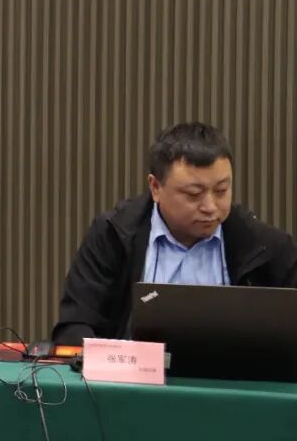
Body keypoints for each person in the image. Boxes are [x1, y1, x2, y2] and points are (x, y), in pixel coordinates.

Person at [51, 122, 297, 345]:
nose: (210, 207)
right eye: (193, 194)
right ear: (156, 187)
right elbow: (75, 325)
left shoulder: (266, 247)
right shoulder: (113, 235)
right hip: (133, 378)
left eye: (221, 190)